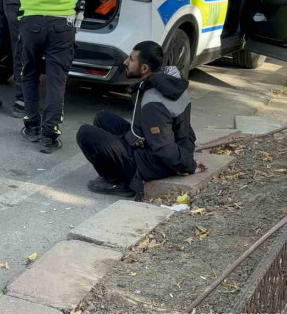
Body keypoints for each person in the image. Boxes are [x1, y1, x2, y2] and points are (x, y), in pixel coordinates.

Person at [5, 0, 103, 154]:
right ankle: (50, 134)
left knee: (29, 73)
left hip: (32, 19)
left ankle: (31, 126)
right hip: (64, 22)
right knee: (57, 78)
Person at [76, 41, 204, 199]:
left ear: (144, 68)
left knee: (85, 133)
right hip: (158, 147)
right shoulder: (169, 83)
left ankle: (120, 182)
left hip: (156, 162)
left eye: (131, 59)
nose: (125, 62)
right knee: (103, 118)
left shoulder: (153, 102)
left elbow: (164, 147)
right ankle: (122, 163)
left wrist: (189, 165)